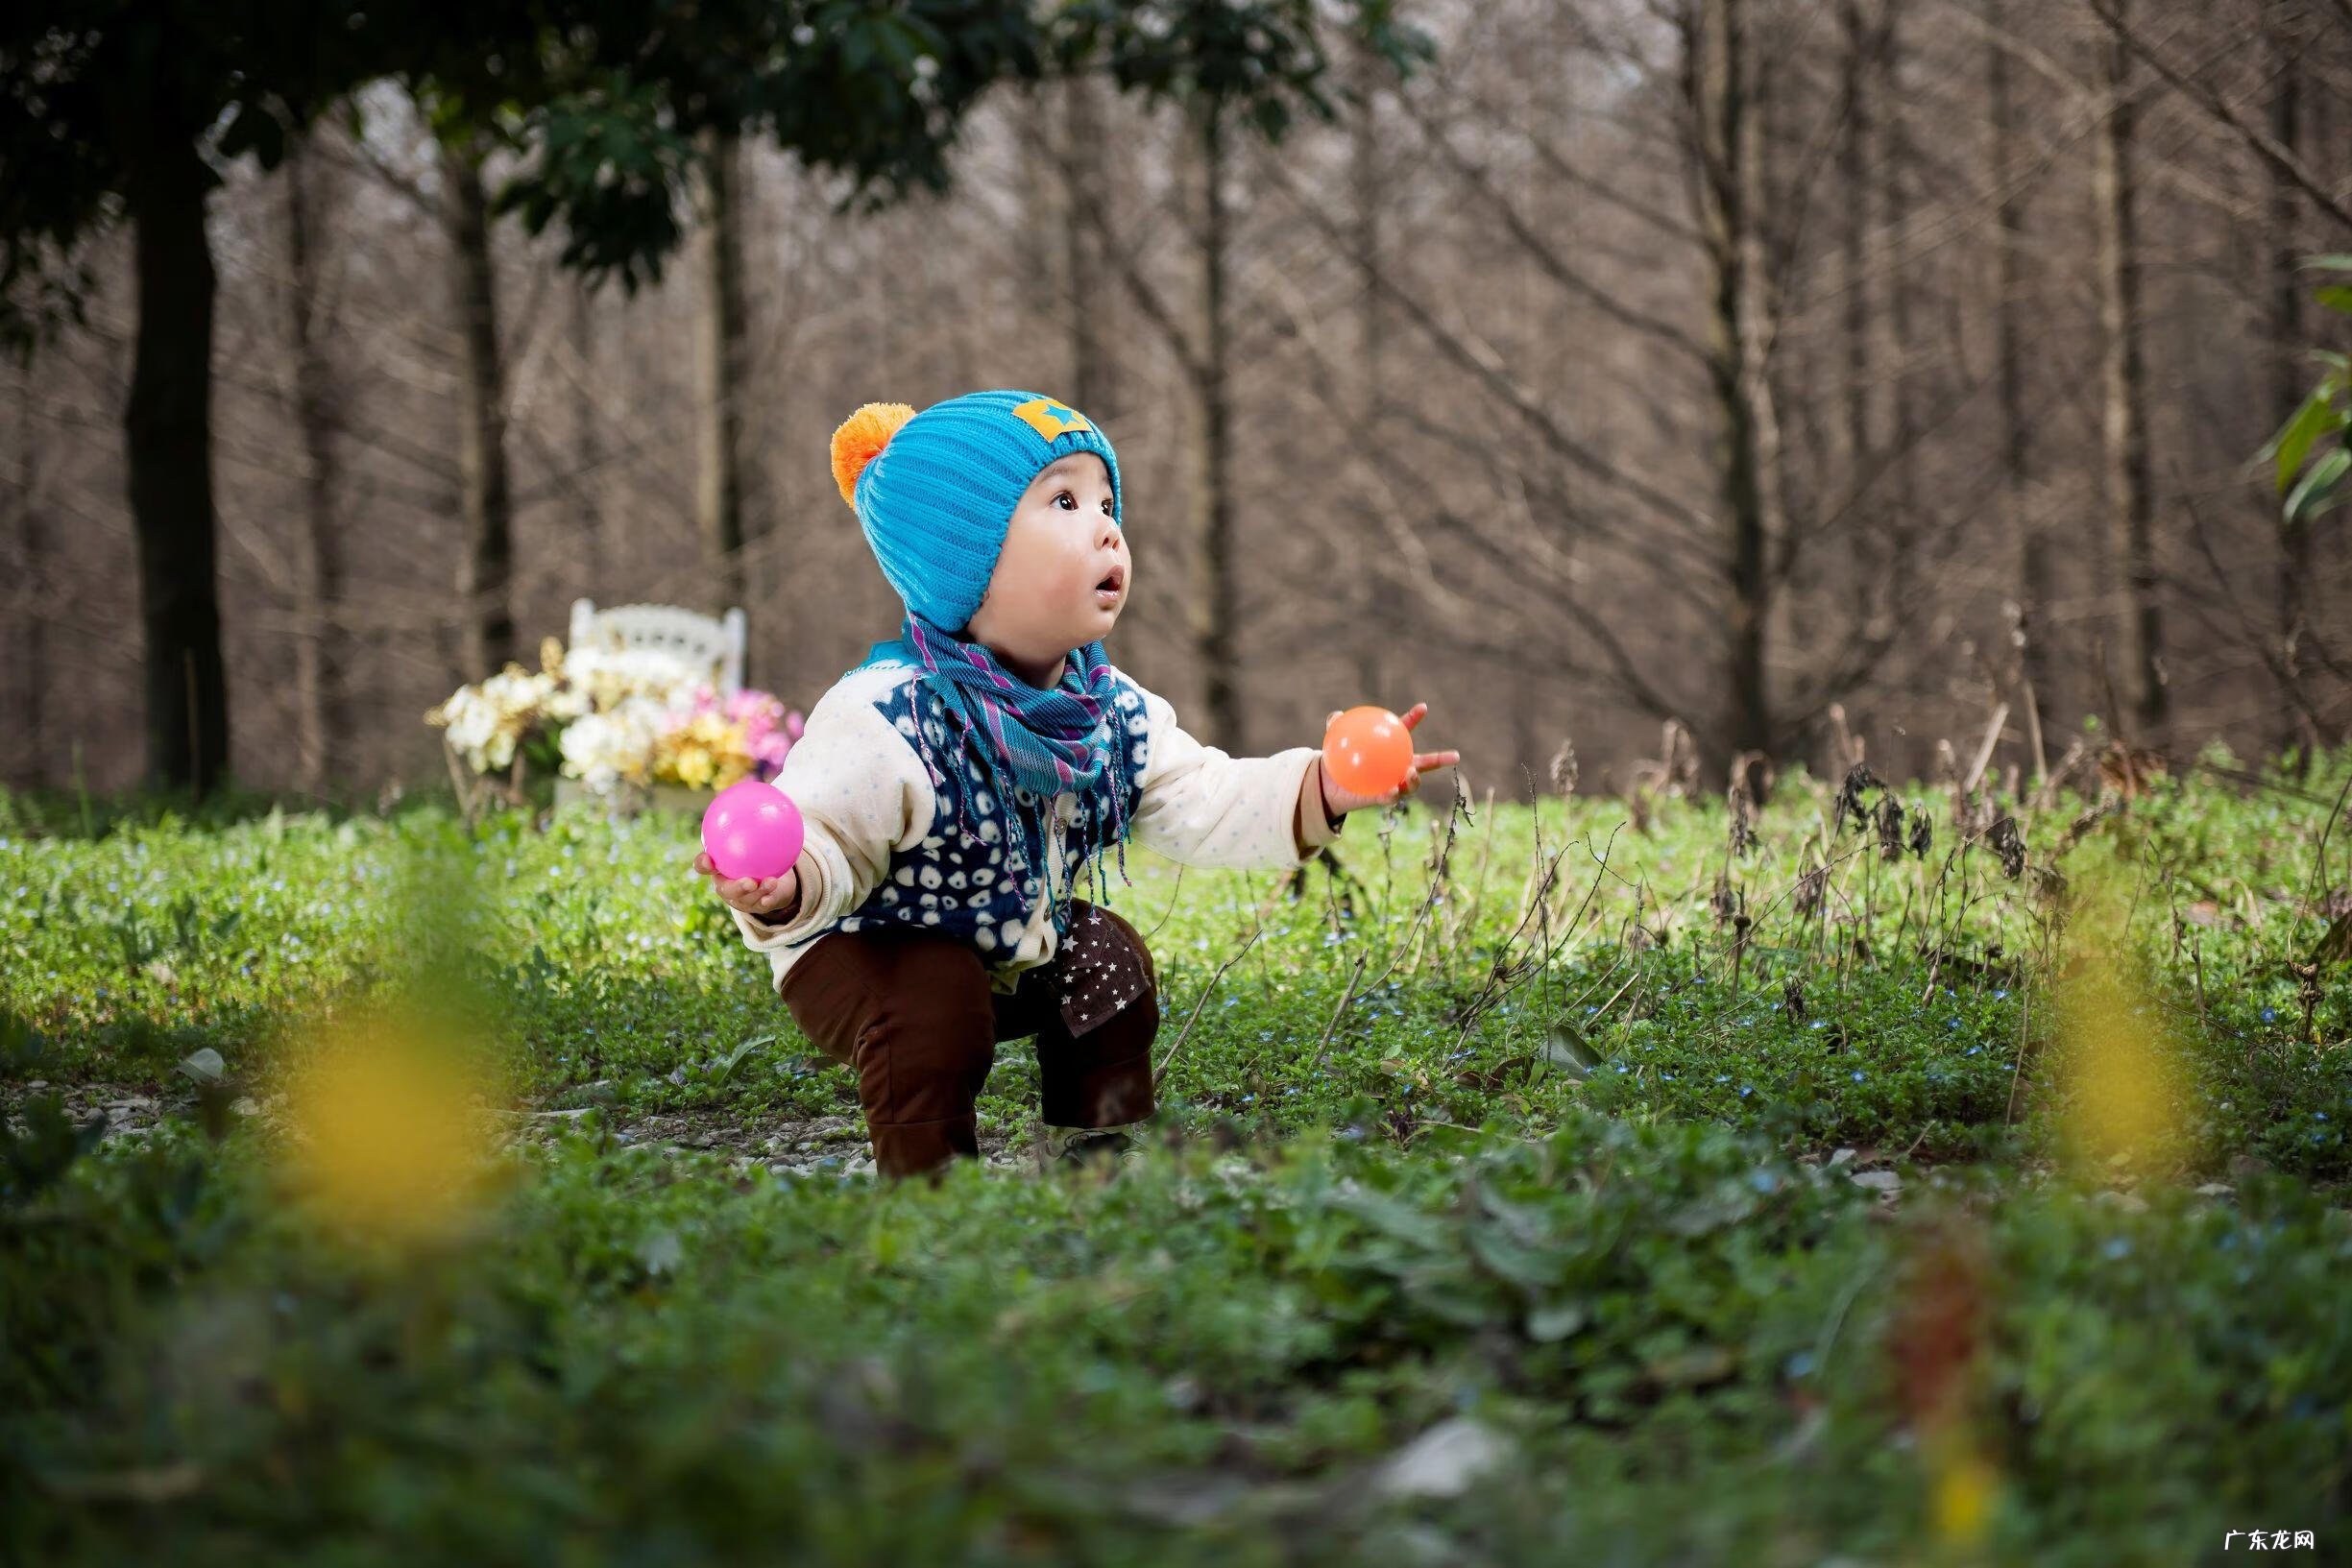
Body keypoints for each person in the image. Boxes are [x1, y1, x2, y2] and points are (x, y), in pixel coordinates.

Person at [693, 390, 1460, 1180]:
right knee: (931, 996)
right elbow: (826, 834)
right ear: (965, 561)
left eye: (1106, 503)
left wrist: (1324, 785)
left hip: (1000, 946)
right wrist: (784, 883)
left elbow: (1204, 796)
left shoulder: (1104, 709)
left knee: (1105, 956)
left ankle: (1095, 1155)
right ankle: (929, 1190)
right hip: (857, 946)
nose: (1106, 528)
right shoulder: (890, 715)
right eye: (1064, 502)